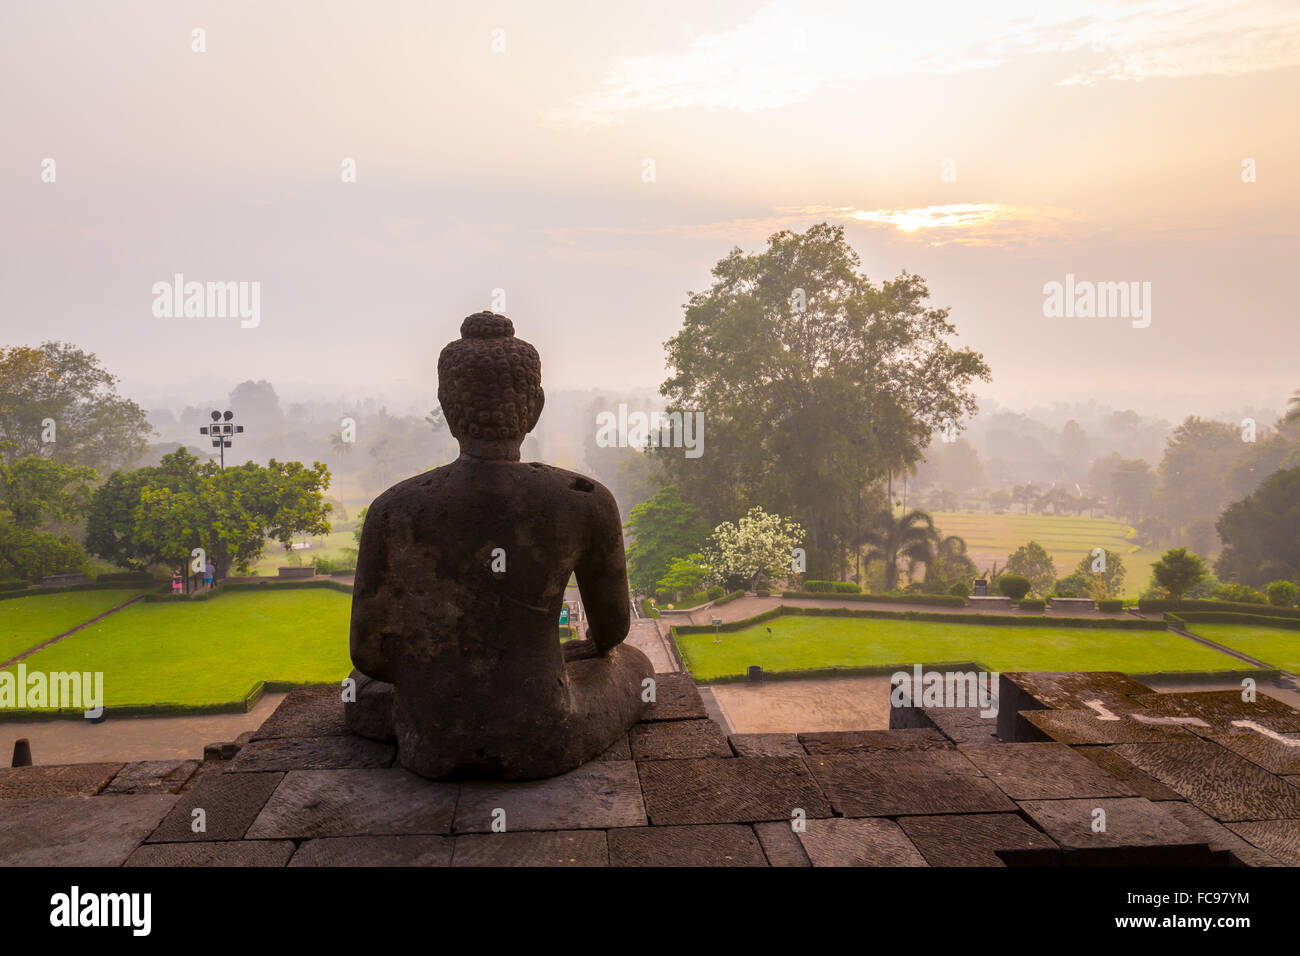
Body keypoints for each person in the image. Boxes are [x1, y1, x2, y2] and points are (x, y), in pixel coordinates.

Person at [348, 312, 653, 780]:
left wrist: (439, 680)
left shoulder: (395, 508)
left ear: (447, 405)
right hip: (546, 731)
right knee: (636, 667)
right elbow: (611, 634)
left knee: (354, 689)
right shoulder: (582, 500)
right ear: (535, 405)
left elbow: (368, 656)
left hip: (431, 737)